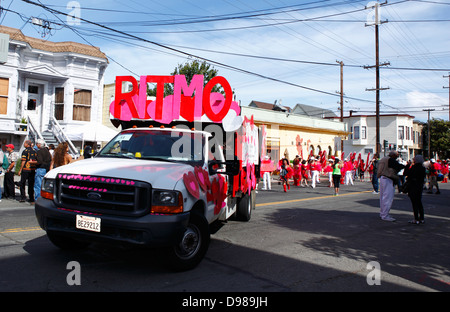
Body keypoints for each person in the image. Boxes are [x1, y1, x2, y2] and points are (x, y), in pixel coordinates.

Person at [377, 150, 406, 221]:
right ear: (393, 155)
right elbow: (398, 166)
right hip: (388, 178)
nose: (397, 157)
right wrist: (406, 166)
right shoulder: (390, 160)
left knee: (383, 197)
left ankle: (382, 213)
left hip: (382, 178)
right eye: (396, 155)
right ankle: (385, 215)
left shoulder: (383, 159)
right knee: (388, 198)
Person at [404, 155, 426, 224]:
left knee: (414, 203)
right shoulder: (423, 168)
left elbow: (406, 173)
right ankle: (421, 218)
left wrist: (408, 166)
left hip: (413, 186)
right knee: (419, 202)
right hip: (419, 185)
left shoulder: (414, 167)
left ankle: (416, 218)